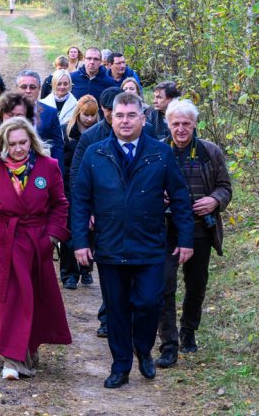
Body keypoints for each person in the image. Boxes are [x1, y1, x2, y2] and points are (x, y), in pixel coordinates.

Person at [71, 92, 194, 387]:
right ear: (110, 118)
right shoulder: (96, 153)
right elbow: (80, 200)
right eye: (119, 116)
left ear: (143, 118)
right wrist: (80, 242)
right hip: (111, 247)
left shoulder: (160, 154)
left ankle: (144, 349)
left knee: (149, 303)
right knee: (116, 310)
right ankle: (120, 366)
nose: (125, 121)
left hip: (149, 245)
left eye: (131, 115)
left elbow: (179, 198)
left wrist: (186, 238)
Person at [0, 117, 71, 380]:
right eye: (12, 144)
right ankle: (13, 359)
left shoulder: (49, 166)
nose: (18, 149)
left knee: (34, 297)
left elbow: (60, 204)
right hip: (5, 242)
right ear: (3, 144)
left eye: (23, 142)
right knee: (10, 298)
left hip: (38, 243)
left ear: (31, 141)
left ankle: (29, 348)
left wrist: (52, 237)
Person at [69, 87, 157, 336]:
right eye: (109, 112)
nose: (113, 117)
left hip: (138, 218)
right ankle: (108, 317)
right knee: (111, 271)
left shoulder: (146, 133)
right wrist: (88, 210)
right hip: (103, 216)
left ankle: (129, 316)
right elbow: (77, 177)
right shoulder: (91, 138)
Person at [156, 99, 232, 369]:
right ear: (168, 124)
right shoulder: (156, 151)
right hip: (164, 231)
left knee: (196, 285)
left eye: (186, 123)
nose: (180, 129)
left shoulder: (210, 152)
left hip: (201, 230)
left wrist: (214, 200)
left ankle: (189, 330)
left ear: (195, 124)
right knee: (164, 287)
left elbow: (225, 187)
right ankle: (169, 344)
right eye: (175, 123)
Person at [59, 95, 100, 289]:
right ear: (78, 113)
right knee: (69, 231)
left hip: (92, 186)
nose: (89, 119)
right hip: (68, 186)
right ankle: (69, 273)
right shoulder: (66, 131)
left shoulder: (100, 133)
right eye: (86, 115)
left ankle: (86, 268)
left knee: (90, 228)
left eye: (93, 115)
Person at [15, 70, 65, 171]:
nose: (28, 91)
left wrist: (57, 172)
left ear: (39, 89)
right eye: (23, 87)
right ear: (16, 89)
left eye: (32, 87)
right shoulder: (7, 112)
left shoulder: (50, 113)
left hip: (41, 168)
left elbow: (57, 146)